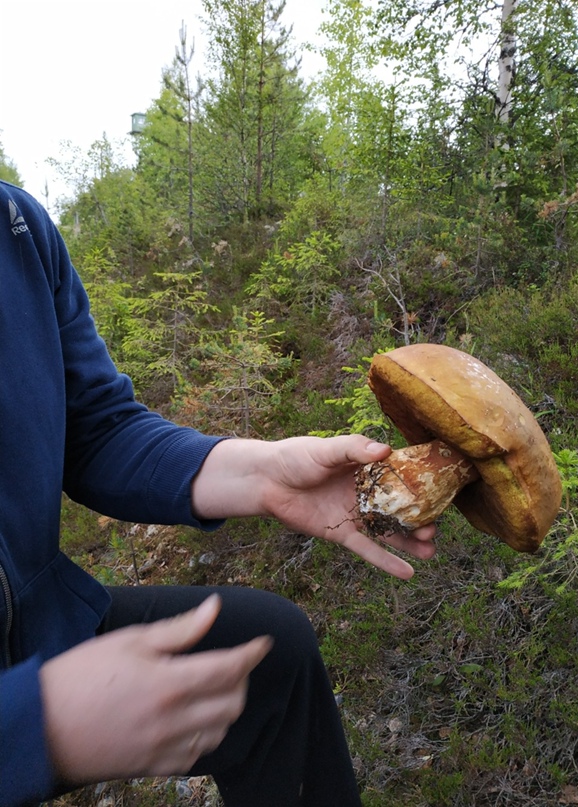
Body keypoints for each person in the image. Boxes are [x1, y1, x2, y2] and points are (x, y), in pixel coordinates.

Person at [0, 179, 437, 807]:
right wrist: (33, 726)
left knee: (272, 655)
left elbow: (94, 429)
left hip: (31, 621)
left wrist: (263, 474)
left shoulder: (16, 224)